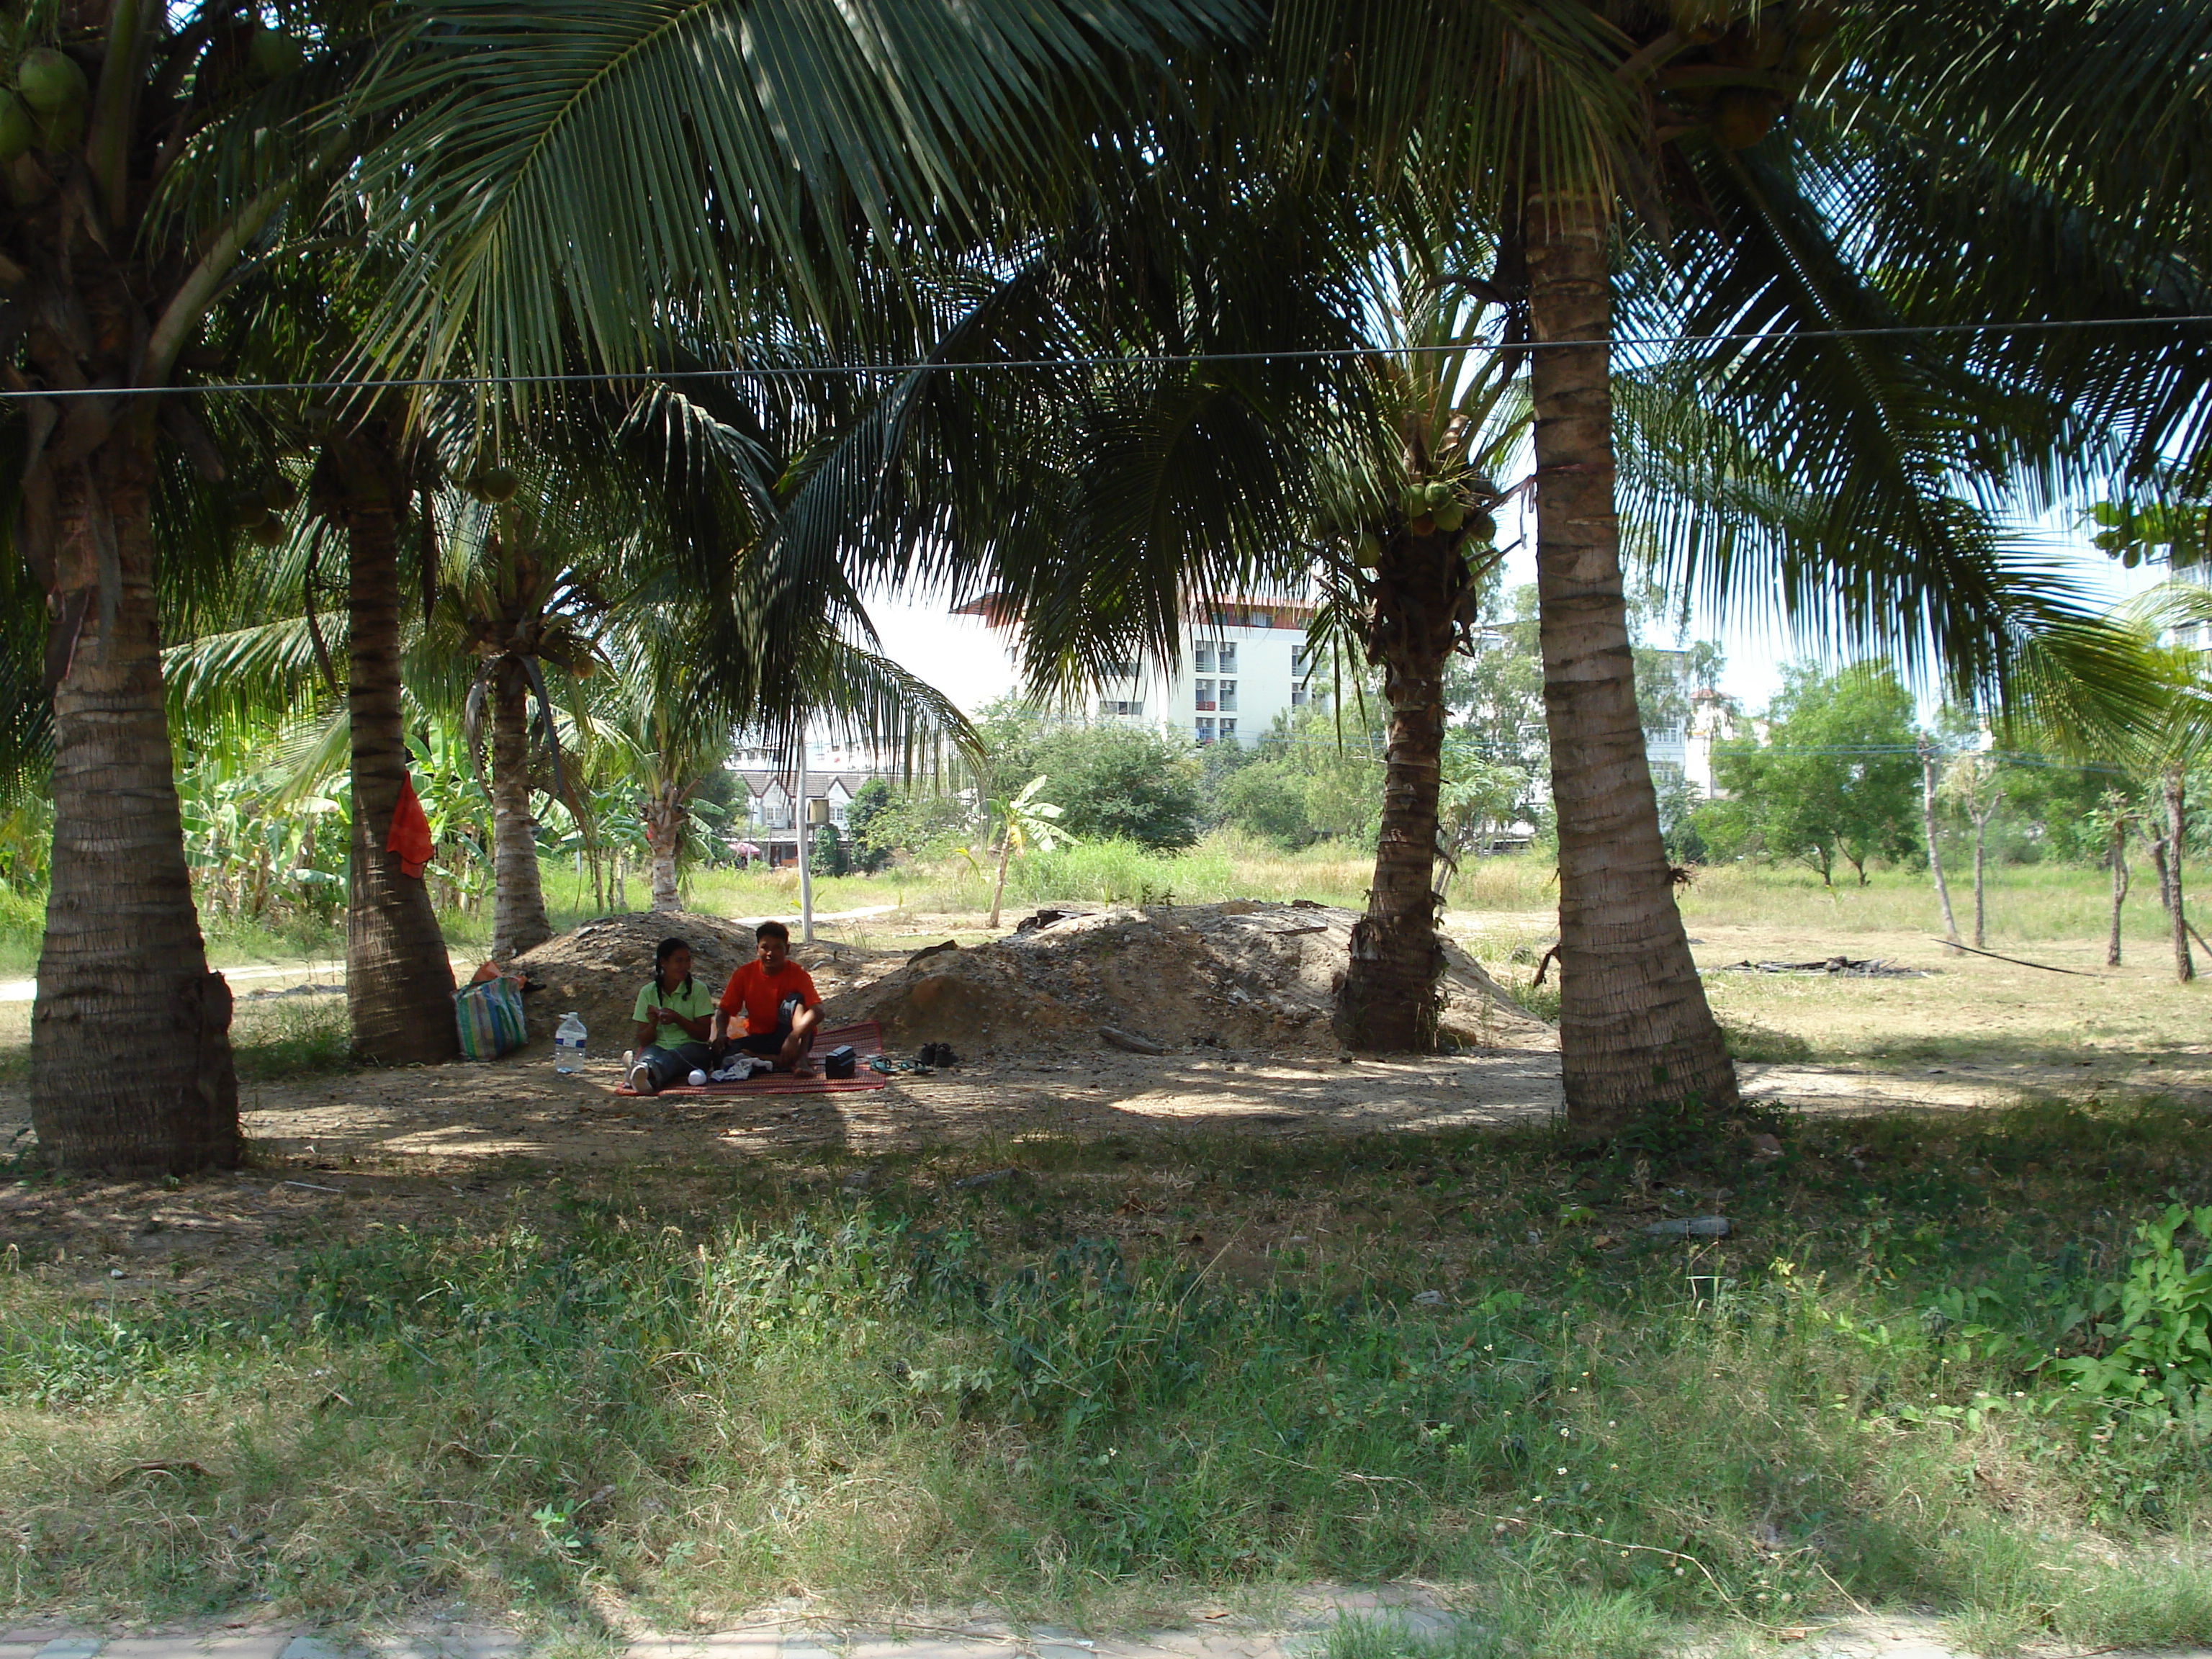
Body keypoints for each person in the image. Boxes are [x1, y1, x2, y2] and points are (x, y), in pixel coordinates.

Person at [712, 919, 823, 1077]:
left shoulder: (797, 974)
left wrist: (793, 1036)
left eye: (777, 948)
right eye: (765, 948)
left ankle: (800, 1060)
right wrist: (721, 1034)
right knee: (720, 1056)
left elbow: (818, 1011)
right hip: (761, 1038)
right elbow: (724, 1009)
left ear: (788, 949)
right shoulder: (744, 974)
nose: (770, 953)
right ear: (757, 949)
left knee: (796, 1001)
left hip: (794, 1039)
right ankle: (773, 1060)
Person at [624, 937, 718, 1096]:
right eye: (678, 961)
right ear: (663, 963)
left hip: (693, 1049)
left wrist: (678, 1019)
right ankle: (644, 1075)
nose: (685, 966)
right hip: (659, 1046)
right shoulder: (648, 992)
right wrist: (653, 1024)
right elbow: (644, 1041)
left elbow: (703, 1036)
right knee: (650, 1054)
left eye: (688, 960)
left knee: (671, 1057)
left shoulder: (698, 989)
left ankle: (643, 1071)